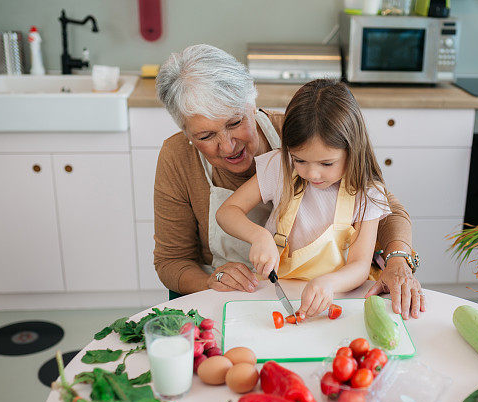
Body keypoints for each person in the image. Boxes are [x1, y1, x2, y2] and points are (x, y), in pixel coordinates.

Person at [154, 44, 426, 318]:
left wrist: (397, 259)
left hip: (321, 296)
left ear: (252, 104)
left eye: (235, 122)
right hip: (232, 297)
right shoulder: (180, 157)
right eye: (205, 136)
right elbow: (171, 261)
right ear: (186, 132)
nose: (227, 146)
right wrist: (210, 282)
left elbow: (387, 210)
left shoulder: (302, 133)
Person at [216, 79, 391, 318]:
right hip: (274, 294)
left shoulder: (367, 192)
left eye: (326, 163)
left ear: (353, 150)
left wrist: (328, 283)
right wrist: (259, 235)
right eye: (300, 160)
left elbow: (360, 267)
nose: (311, 174)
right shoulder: (280, 166)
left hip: (337, 297)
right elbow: (227, 212)